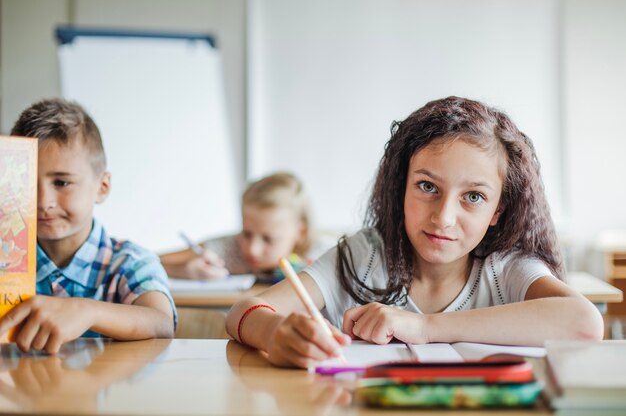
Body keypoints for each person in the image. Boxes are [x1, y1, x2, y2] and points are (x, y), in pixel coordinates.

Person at [225, 96, 604, 368]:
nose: (443, 217)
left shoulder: (506, 269)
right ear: (400, 186)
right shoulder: (364, 255)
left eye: (473, 196)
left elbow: (584, 323)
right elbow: (243, 311)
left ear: (497, 211)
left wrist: (424, 327)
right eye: (427, 187)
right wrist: (274, 332)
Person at [0, 98, 176, 354]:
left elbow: (161, 322)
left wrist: (87, 310)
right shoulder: (6, 259)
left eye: (61, 183)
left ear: (102, 187)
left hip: (99, 392)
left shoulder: (128, 262)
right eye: (26, 183)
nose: (42, 201)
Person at [160, 172, 335, 281]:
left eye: (268, 239)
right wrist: (182, 270)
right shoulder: (228, 248)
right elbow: (146, 262)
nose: (252, 249)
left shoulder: (326, 257)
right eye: (247, 234)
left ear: (300, 232)